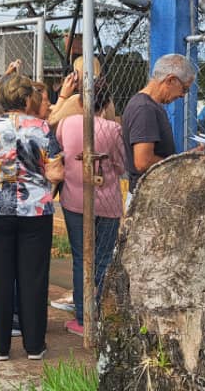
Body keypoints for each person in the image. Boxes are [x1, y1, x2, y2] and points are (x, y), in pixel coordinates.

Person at [0, 72, 64, 361]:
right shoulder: (44, 128)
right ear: (26, 99)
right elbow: (56, 172)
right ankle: (34, 345)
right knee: (33, 277)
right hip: (35, 210)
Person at [57, 80, 126, 336]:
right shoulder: (113, 129)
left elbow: (62, 151)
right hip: (106, 200)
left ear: (80, 101)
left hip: (74, 199)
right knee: (104, 257)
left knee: (80, 257)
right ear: (107, 103)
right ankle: (102, 312)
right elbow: (121, 165)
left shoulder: (66, 124)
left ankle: (82, 315)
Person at [122, 53, 194, 192]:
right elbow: (143, 161)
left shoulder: (148, 105)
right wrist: (180, 163)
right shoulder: (145, 109)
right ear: (171, 80)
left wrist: (185, 157)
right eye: (184, 88)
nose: (183, 95)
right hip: (147, 197)